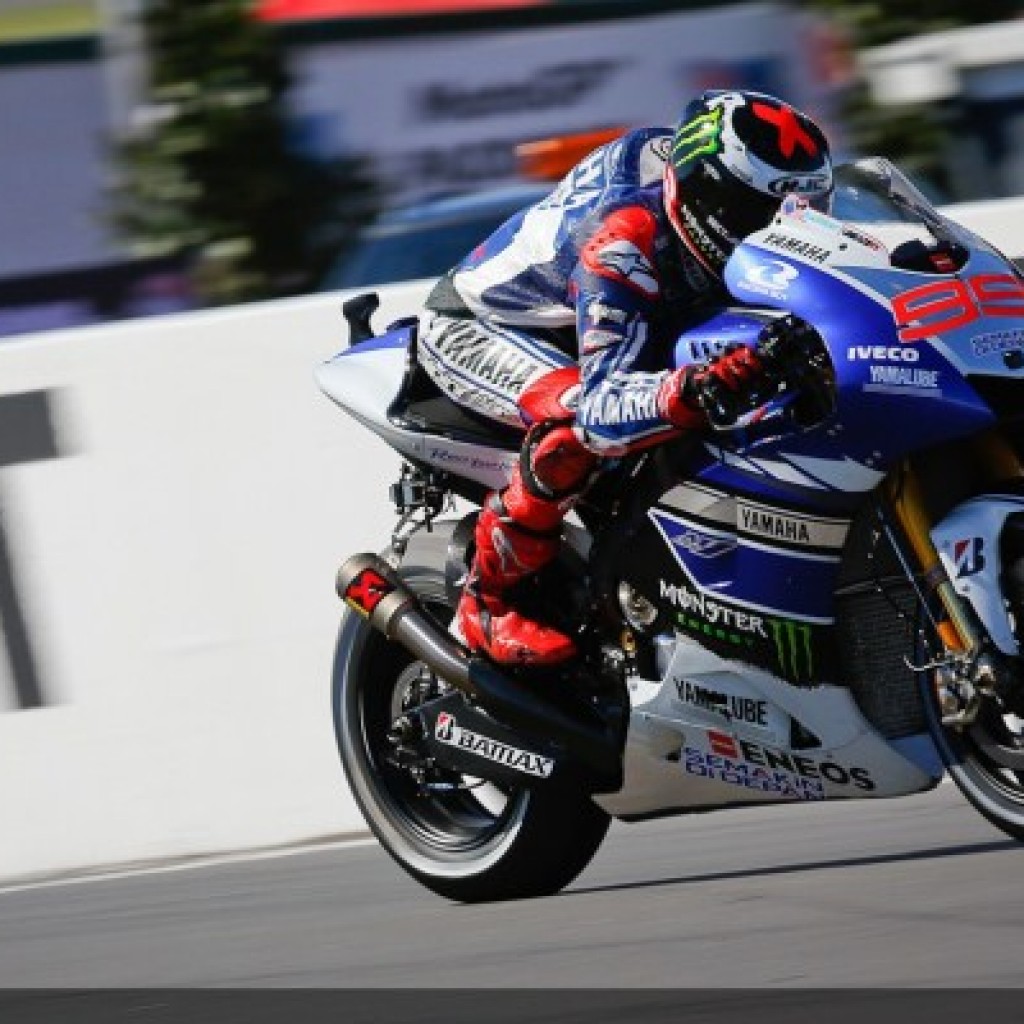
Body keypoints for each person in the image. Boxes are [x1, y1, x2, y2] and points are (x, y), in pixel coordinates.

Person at [417, 90, 833, 667]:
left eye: (806, 210)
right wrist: (692, 388)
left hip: (604, 314)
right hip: (484, 325)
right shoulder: (625, 239)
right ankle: (487, 600)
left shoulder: (723, 190)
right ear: (708, 196)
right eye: (757, 215)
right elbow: (603, 408)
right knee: (570, 426)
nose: (778, 230)